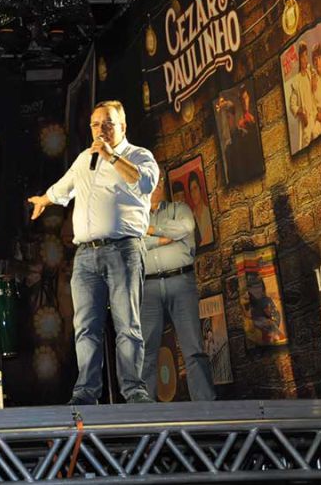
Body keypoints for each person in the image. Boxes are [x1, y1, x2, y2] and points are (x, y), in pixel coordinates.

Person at [28, 100, 159, 405]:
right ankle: (86, 393)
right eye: (96, 124)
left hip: (123, 250)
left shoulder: (139, 155)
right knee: (85, 327)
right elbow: (64, 187)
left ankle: (134, 392)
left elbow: (144, 183)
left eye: (108, 123)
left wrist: (112, 156)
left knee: (127, 325)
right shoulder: (85, 158)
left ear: (122, 126)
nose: (101, 129)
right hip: (86, 255)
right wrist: (44, 200)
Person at [140, 171, 215, 402]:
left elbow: (186, 227)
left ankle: (205, 405)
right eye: (152, 180)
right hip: (148, 287)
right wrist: (165, 237)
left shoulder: (179, 208)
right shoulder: (134, 217)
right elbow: (135, 245)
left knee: (193, 347)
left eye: (160, 180)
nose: (157, 185)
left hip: (181, 282)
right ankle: (144, 411)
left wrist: (150, 231)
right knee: (146, 351)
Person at [288, 41, 315, 153]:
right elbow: (292, 105)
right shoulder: (297, 80)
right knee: (307, 144)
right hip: (306, 119)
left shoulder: (310, 73)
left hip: (315, 114)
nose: (304, 59)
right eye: (302, 57)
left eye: (306, 56)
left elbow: (315, 90)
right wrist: (301, 113)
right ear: (299, 59)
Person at [187, 171, 213, 247]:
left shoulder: (209, 213)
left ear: (200, 189)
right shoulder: (190, 219)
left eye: (195, 188)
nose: (193, 193)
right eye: (191, 190)